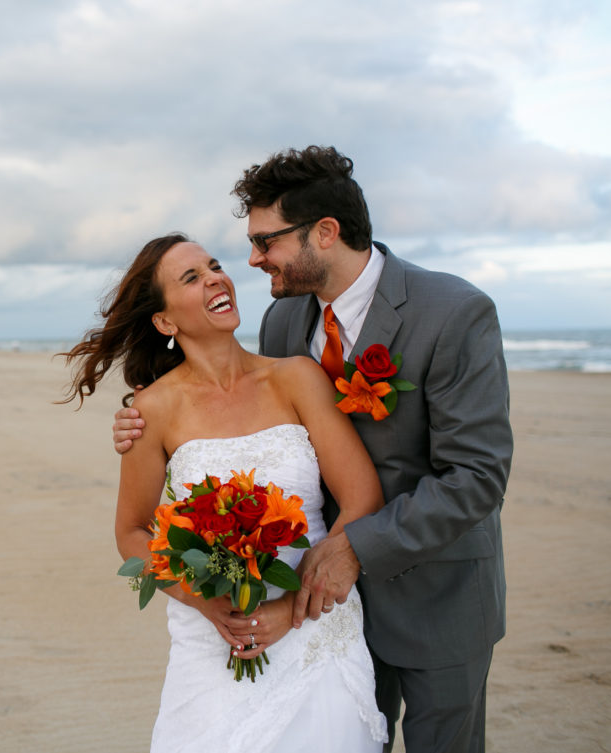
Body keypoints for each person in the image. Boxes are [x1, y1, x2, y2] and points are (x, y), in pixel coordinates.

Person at [112, 147, 513, 753]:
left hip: (435, 596)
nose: (251, 261)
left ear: (324, 233)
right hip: (318, 614)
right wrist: (141, 422)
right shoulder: (283, 325)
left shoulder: (454, 312)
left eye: (265, 241)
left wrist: (352, 550)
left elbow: (477, 477)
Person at [62, 233, 388, 752]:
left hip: (317, 629)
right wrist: (207, 602)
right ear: (165, 322)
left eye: (214, 266)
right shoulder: (150, 411)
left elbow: (362, 499)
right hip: (214, 640)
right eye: (192, 277)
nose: (216, 277)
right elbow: (131, 532)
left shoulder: (296, 378)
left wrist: (292, 610)